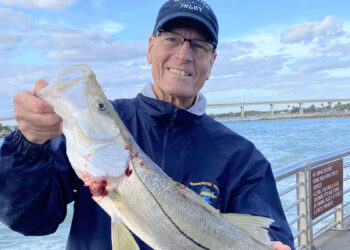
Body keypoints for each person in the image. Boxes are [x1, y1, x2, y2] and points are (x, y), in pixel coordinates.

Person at [0, 0, 294, 249]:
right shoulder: (92, 133)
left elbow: (270, 231)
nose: (183, 54)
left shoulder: (242, 157)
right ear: (150, 48)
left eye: (199, 46)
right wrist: (30, 144)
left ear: (211, 62)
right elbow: (30, 219)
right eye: (171, 39)